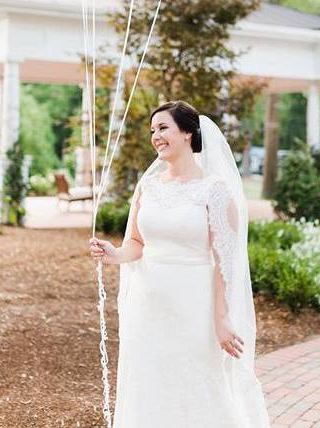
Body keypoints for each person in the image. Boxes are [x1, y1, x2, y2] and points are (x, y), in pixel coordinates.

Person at [89, 100, 270, 427]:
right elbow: (136, 242)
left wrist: (222, 318)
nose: (156, 136)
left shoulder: (214, 191)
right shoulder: (147, 186)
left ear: (188, 133)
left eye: (163, 128)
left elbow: (224, 262)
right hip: (148, 303)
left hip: (193, 304)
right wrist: (113, 253)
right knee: (149, 378)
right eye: (152, 130)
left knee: (196, 380)